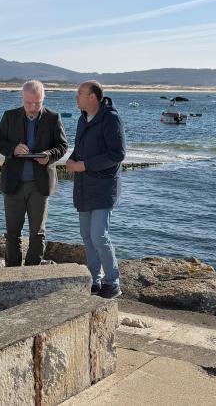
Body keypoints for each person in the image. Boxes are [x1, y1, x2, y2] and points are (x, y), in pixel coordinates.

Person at [0, 80, 68, 266]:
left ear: (44, 98)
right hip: (13, 183)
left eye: (37, 102)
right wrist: (13, 149)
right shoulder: (9, 116)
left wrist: (48, 155)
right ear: (22, 98)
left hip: (39, 185)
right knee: (12, 233)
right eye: (28, 103)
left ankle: (32, 271)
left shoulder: (53, 118)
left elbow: (63, 146)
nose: (33, 107)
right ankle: (12, 271)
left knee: (37, 233)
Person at [66, 81, 125, 298]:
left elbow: (117, 154)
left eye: (79, 94)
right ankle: (94, 280)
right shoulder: (83, 119)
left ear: (93, 97)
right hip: (83, 187)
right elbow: (80, 148)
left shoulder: (111, 119)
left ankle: (113, 282)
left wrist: (85, 165)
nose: (76, 97)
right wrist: (73, 159)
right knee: (87, 236)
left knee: (99, 235)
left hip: (103, 187)